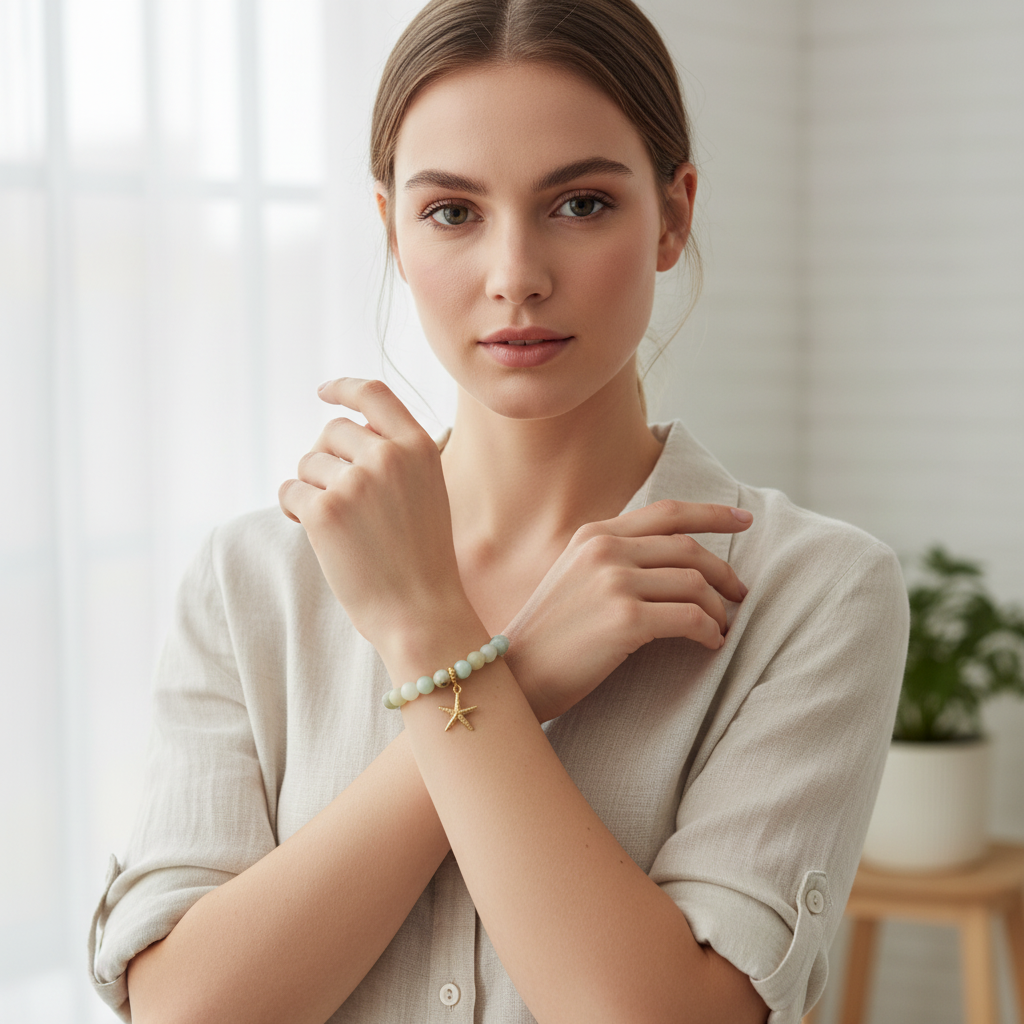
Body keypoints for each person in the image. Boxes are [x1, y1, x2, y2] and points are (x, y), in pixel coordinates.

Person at [88, 1, 910, 1022]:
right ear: (389, 227)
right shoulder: (250, 580)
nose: (515, 276)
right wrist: (503, 672)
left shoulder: (810, 593)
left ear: (674, 214)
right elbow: (183, 1009)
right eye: (452, 212)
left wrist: (437, 645)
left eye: (579, 204)